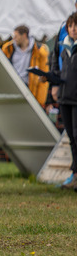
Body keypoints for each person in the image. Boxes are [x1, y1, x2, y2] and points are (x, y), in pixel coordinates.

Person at [51, 13, 77, 187]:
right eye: (71, 26)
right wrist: (53, 82)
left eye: (76, 26)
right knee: (72, 138)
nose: (74, 29)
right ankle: (75, 174)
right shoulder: (63, 45)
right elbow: (55, 65)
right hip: (65, 97)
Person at [2, 25, 49, 106]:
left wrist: (40, 101)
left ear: (24, 35)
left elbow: (44, 76)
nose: (14, 39)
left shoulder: (39, 51)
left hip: (29, 89)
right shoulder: (8, 49)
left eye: (16, 36)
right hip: (12, 87)